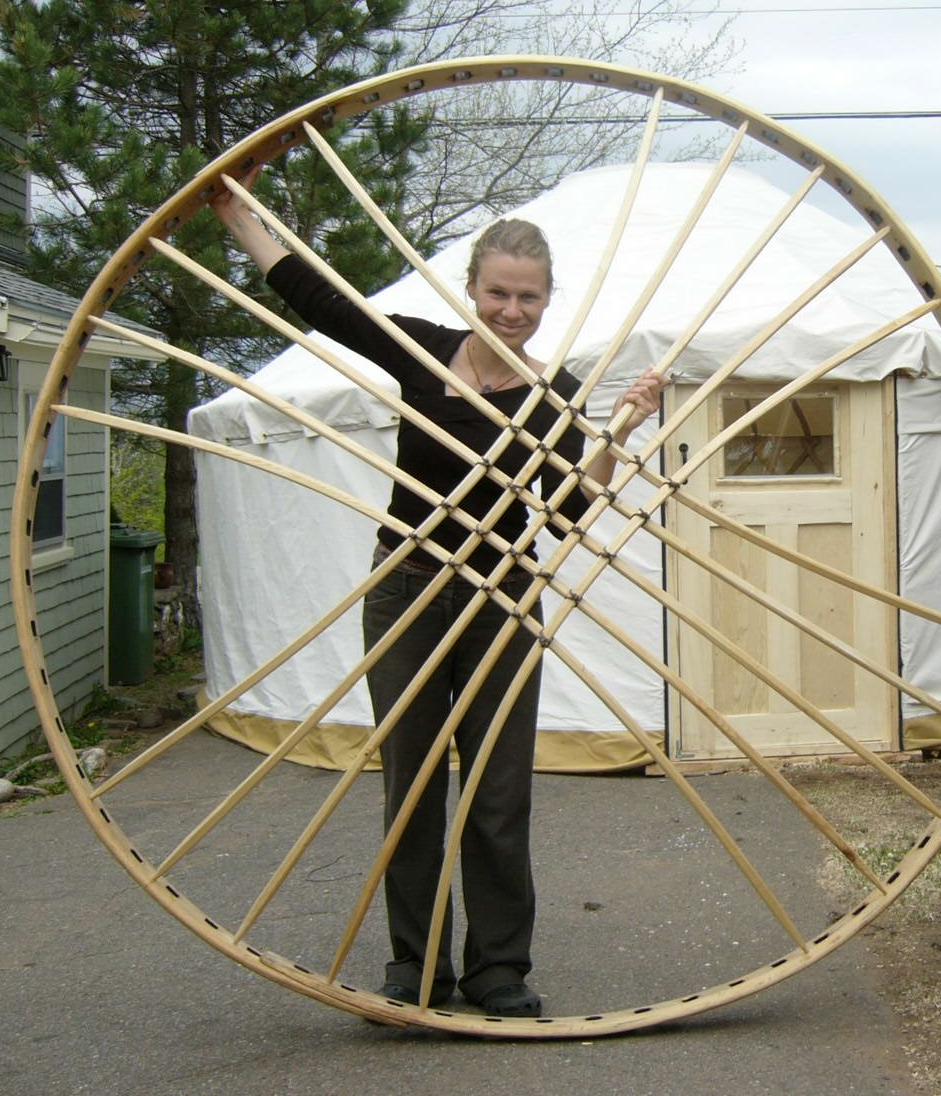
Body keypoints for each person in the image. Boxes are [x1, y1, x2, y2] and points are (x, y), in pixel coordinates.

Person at [213, 183, 665, 1018]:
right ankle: (416, 965)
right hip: (408, 593)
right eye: (498, 292)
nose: (512, 309)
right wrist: (238, 219)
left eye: (529, 296)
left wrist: (621, 430)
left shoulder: (553, 393)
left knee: (497, 790)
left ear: (547, 299)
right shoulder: (421, 353)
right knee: (412, 785)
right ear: (472, 288)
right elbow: (322, 300)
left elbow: (565, 509)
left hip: (501, 599)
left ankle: (498, 967)